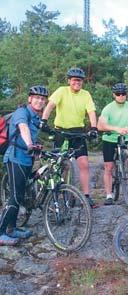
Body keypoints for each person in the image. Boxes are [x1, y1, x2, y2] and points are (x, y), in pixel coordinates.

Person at [40, 67, 98, 208]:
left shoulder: (86, 94)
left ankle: (86, 196)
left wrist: (94, 128)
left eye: (79, 80)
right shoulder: (61, 91)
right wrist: (43, 120)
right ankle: (60, 192)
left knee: (84, 164)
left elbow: (91, 112)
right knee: (62, 165)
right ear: (69, 81)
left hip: (78, 132)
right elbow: (50, 105)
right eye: (74, 80)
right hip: (61, 132)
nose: (77, 82)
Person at [0, 86, 48, 246]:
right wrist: (29, 144)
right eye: (36, 97)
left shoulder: (35, 117)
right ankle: (1, 232)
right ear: (30, 99)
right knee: (15, 196)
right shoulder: (22, 112)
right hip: (15, 158)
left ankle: (12, 229)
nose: (40, 100)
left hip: (27, 160)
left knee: (20, 194)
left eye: (42, 99)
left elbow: (35, 133)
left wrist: (36, 147)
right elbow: (23, 128)